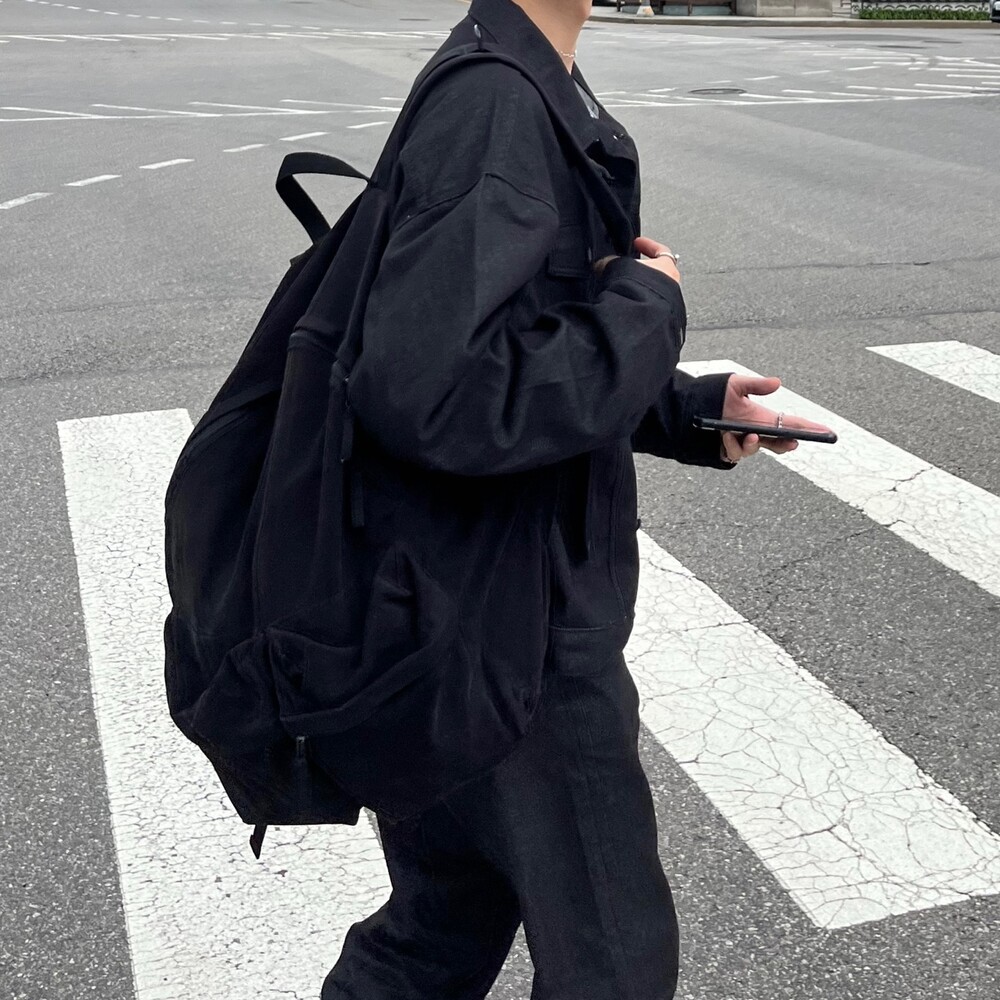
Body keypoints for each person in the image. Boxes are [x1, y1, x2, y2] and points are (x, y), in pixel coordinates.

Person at [322, 1, 831, 998]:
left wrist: (683, 410)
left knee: (439, 927)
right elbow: (437, 392)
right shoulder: (499, 105)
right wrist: (650, 304)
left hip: (456, 604)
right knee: (612, 965)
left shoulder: (513, 77)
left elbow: (507, 345)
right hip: (519, 636)